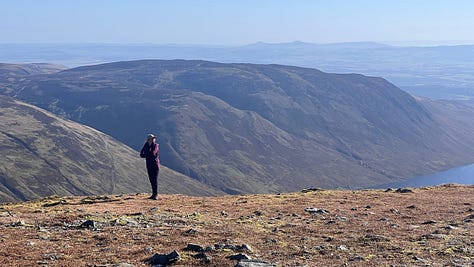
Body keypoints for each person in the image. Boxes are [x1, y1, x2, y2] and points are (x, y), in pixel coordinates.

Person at [140, 134, 160, 200]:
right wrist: (148, 154)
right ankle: (153, 194)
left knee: (154, 180)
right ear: (149, 140)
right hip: (149, 165)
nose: (153, 140)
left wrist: (147, 154)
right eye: (152, 139)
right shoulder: (146, 145)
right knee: (151, 180)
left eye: (153, 139)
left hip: (155, 165)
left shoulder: (156, 145)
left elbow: (153, 153)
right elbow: (141, 154)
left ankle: (156, 194)